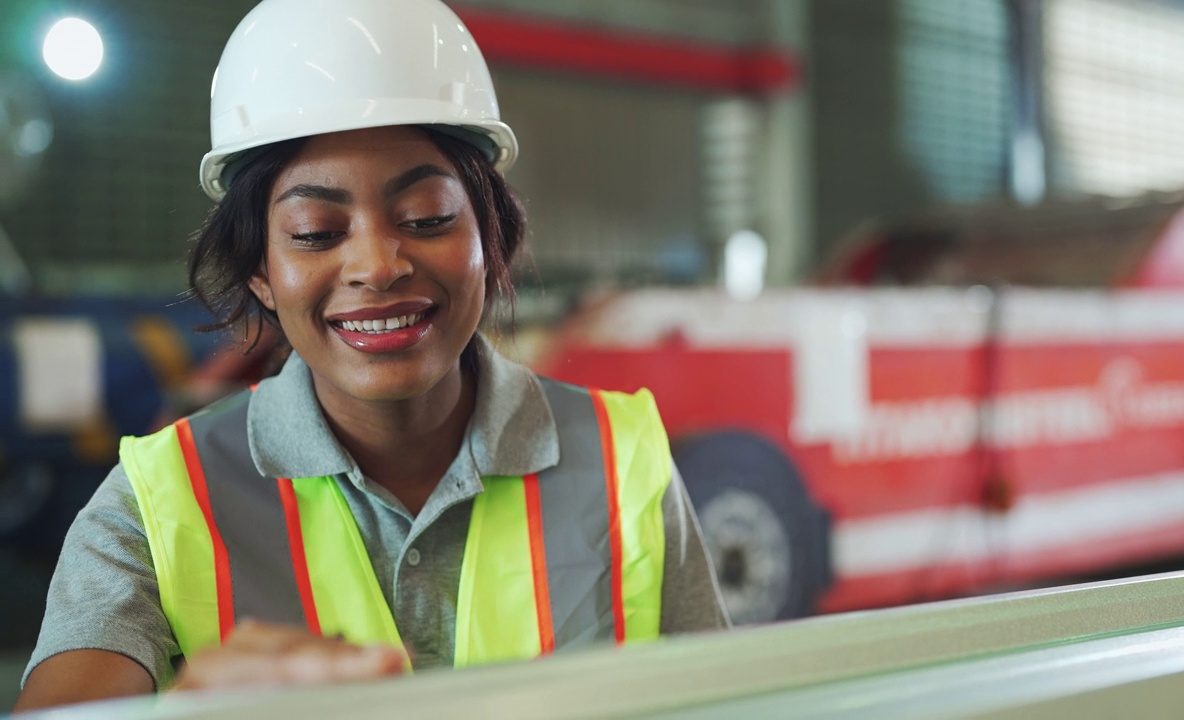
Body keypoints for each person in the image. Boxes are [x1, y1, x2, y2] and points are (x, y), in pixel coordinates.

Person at [14, 0, 728, 711]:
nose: (377, 265)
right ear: (260, 270)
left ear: (490, 237)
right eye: (316, 231)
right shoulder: (159, 504)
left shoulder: (621, 463)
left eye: (427, 219)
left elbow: (727, 700)